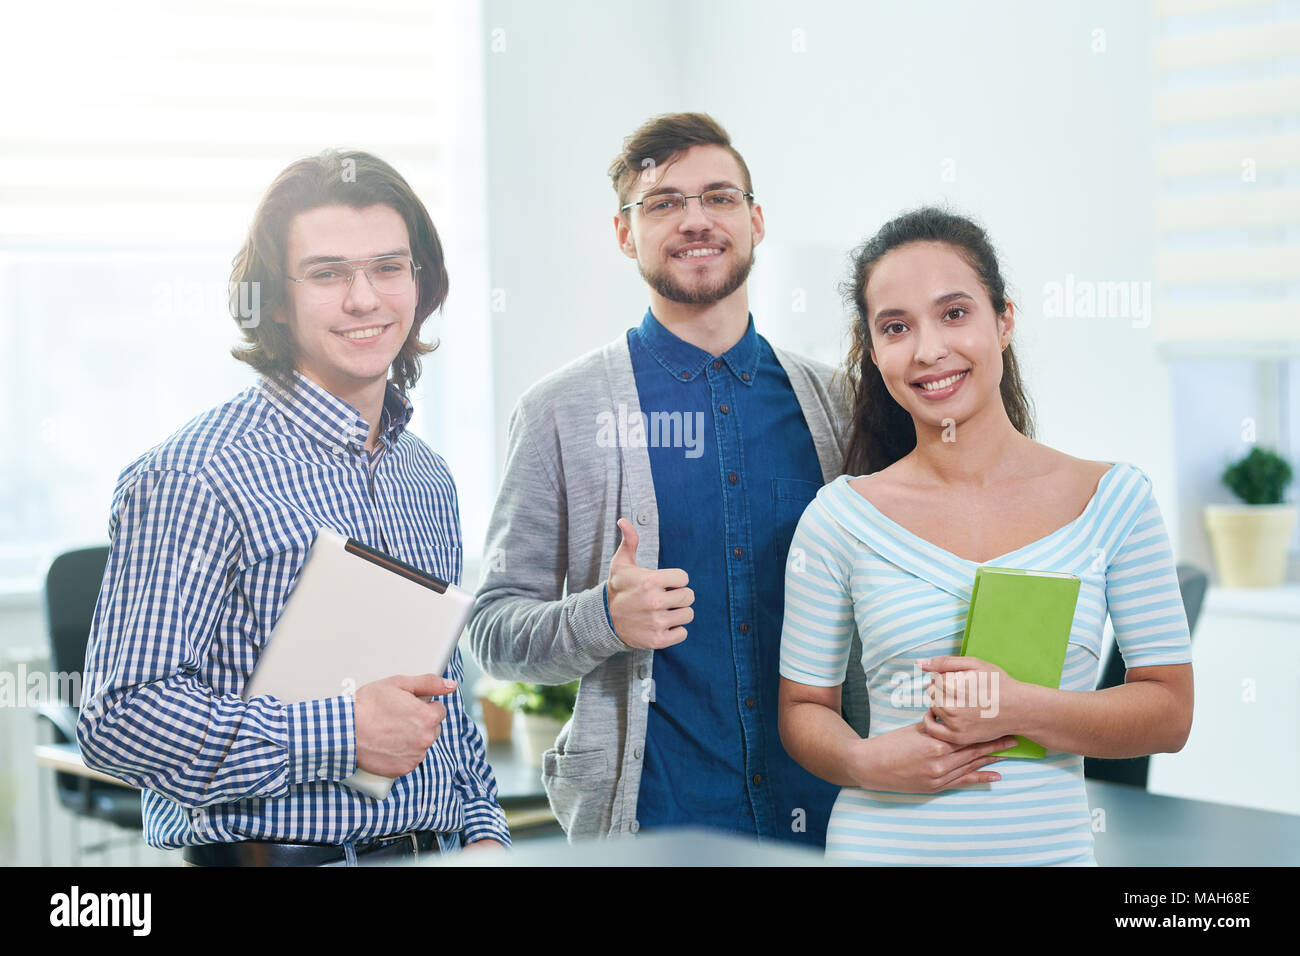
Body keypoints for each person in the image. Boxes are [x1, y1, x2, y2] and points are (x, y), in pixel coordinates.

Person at [76, 149, 509, 865]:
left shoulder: (427, 478)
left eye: (389, 267)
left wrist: (483, 825)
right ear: (274, 300)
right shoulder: (197, 473)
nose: (364, 298)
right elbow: (119, 719)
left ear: (419, 281)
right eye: (328, 273)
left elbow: (440, 695)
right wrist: (340, 733)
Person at [468, 112, 868, 845]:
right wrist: (604, 620)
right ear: (625, 234)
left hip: (836, 823)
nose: (696, 220)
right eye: (663, 202)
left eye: (719, 197)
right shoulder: (561, 411)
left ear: (755, 220)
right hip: (652, 830)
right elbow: (491, 630)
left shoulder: (840, 407)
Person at [777, 207, 1194, 865]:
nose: (928, 350)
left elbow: (1168, 714)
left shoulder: (1115, 502)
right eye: (896, 327)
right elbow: (803, 708)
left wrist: (1017, 708)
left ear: (1003, 320)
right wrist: (861, 760)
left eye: (954, 313)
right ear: (873, 349)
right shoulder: (838, 519)